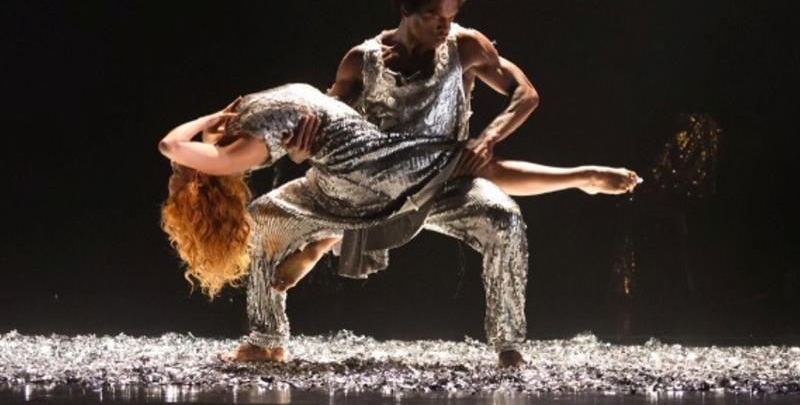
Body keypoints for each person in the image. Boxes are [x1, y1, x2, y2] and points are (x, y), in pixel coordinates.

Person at [234, 0, 557, 367]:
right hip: (368, 189)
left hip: (440, 184)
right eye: (432, 16)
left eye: (451, 15)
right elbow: (328, 124)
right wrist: (301, 149)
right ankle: (266, 338)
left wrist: (487, 138)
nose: (444, 26)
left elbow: (525, 93)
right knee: (262, 217)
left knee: (504, 218)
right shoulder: (362, 60)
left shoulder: (465, 47)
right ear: (406, 10)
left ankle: (509, 346)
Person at [159, 84, 641, 363]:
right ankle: (269, 338)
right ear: (207, 172)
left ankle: (580, 178)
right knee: (265, 218)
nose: (179, 163)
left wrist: (216, 121)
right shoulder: (239, 141)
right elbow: (172, 145)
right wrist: (211, 119)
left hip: (366, 173)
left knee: (472, 178)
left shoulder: (239, 127)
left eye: (178, 173)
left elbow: (175, 146)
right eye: (182, 171)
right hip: (350, 179)